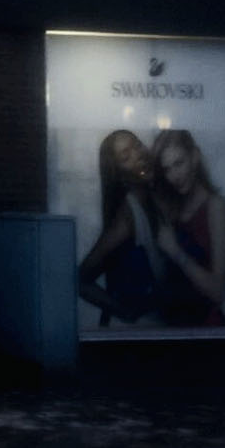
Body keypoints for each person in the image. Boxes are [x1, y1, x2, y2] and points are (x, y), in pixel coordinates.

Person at [77, 130, 164, 325]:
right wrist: (127, 313)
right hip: (134, 340)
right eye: (126, 156)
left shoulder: (154, 202)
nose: (138, 154)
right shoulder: (127, 216)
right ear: (119, 174)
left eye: (137, 144)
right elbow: (81, 281)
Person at [150, 130, 225, 326]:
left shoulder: (215, 206)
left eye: (179, 163)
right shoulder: (171, 208)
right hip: (173, 327)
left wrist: (176, 251)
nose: (174, 176)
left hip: (205, 331)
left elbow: (218, 292)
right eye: (167, 169)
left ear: (195, 157)